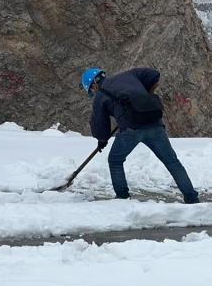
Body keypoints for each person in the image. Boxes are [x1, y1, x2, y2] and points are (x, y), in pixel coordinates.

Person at [81, 67, 199, 203]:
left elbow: (101, 126)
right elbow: (154, 75)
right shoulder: (129, 75)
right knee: (172, 162)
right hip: (155, 123)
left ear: (94, 84)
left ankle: (122, 199)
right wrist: (142, 97)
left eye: (91, 90)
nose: (94, 93)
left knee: (115, 160)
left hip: (131, 129)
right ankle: (192, 199)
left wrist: (102, 140)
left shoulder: (100, 96)